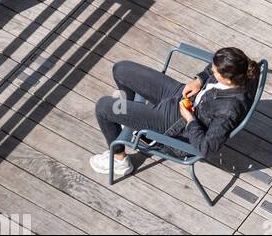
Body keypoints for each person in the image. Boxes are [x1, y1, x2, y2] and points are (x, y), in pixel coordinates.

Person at [90, 47, 260, 178]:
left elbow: (206, 148)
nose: (211, 72)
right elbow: (211, 67)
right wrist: (199, 80)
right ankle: (133, 118)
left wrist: (190, 119)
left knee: (103, 107)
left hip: (176, 123)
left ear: (227, 78)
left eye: (215, 72)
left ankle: (119, 159)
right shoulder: (242, 68)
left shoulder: (228, 110)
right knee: (121, 69)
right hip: (181, 96)